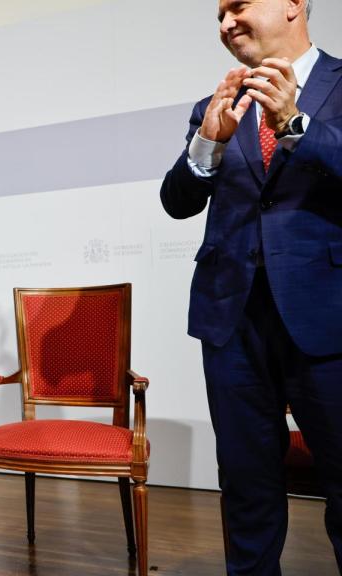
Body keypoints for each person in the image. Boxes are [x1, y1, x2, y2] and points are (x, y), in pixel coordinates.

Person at [160, 0, 342, 573]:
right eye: (218, 16)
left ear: (293, 4)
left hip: (327, 319)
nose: (225, 24)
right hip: (231, 321)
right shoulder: (212, 105)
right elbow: (177, 201)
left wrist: (295, 124)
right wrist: (208, 142)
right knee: (247, 487)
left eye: (237, 6)